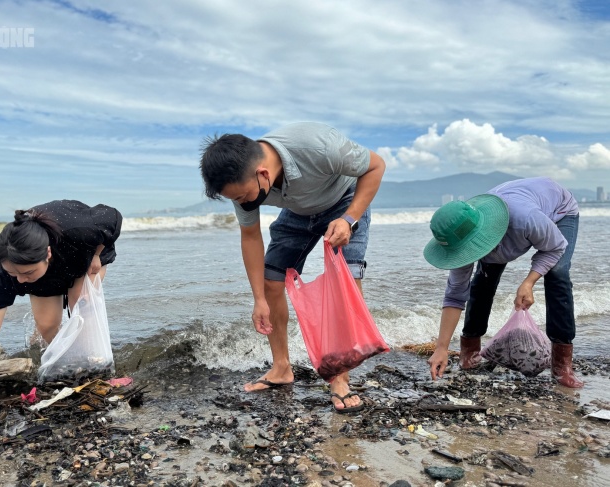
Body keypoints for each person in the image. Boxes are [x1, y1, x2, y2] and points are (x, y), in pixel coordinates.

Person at [199, 122, 386, 413]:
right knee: (272, 281)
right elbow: (250, 236)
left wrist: (350, 219)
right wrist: (259, 298)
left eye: (241, 197)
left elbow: (375, 166)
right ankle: (281, 368)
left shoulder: (318, 146)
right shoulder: (244, 183)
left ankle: (340, 379)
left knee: (345, 283)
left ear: (262, 173)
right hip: (298, 212)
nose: (240, 203)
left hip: (344, 201)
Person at [0, 200, 123, 414]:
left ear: (48, 254)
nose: (21, 281)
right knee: (47, 325)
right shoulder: (3, 270)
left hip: (82, 254)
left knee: (79, 304)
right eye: (16, 275)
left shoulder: (80, 229)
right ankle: (70, 362)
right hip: (44, 276)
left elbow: (113, 217)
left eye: (27, 273)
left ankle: (91, 363)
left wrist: (97, 253)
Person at [424, 177, 584, 388]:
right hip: (513, 206)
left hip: (559, 210)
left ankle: (562, 364)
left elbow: (554, 248)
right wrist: (441, 347)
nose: (470, 253)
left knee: (557, 274)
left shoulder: (526, 219)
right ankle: (470, 351)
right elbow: (455, 294)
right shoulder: (459, 235)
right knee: (483, 279)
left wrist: (529, 282)